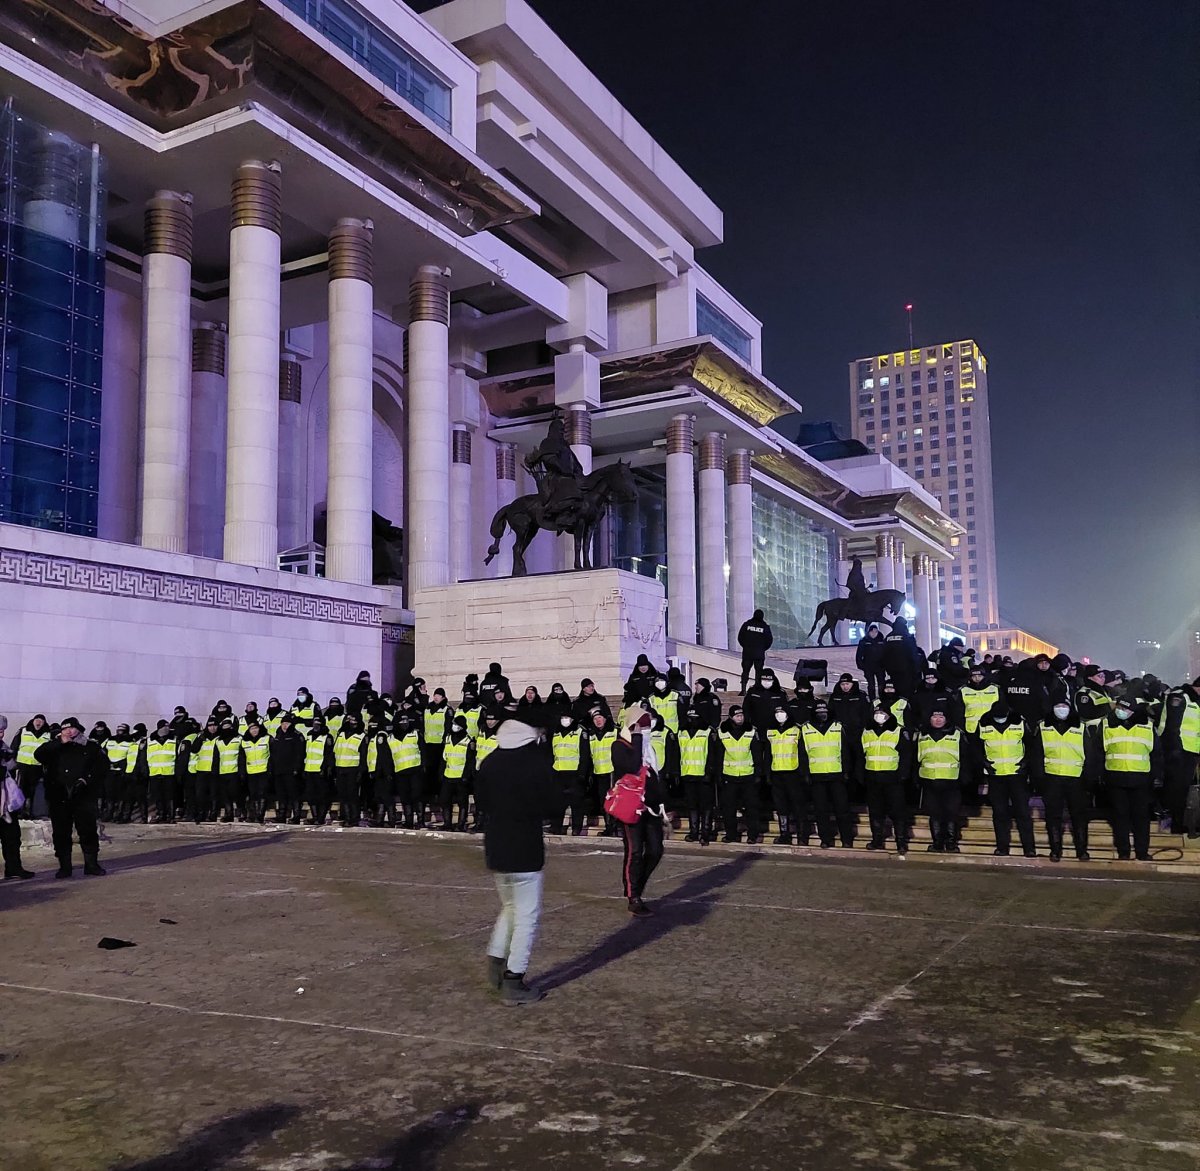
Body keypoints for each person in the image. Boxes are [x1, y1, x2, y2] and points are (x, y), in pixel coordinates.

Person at [475, 714, 561, 1004]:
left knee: (510, 908)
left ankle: (496, 964)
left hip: (496, 845)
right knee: (526, 914)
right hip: (524, 846)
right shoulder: (535, 763)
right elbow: (551, 804)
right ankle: (515, 978)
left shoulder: (489, 761)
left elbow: (482, 802)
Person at [612, 708, 669, 916]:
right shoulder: (619, 745)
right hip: (631, 807)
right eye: (642, 724)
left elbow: (655, 776)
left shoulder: (648, 748)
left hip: (650, 808)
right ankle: (633, 896)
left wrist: (662, 805)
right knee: (635, 851)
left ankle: (637, 886)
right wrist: (636, 736)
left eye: (647, 725)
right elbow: (632, 766)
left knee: (655, 850)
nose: (646, 729)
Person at [1090, 695, 1160, 861]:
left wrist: (1157, 777)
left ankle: (1142, 852)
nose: (1121, 711)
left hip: (1141, 780)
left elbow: (1157, 755)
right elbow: (1098, 751)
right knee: (1120, 817)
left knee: (1141, 818)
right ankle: (1124, 852)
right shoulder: (1107, 724)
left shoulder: (1147, 726)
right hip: (1115, 779)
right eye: (1119, 708)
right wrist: (1097, 776)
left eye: (1125, 709)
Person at [35, 717, 106, 878]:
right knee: (61, 832)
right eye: (64, 729)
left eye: (71, 728)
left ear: (78, 729)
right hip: (59, 795)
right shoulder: (55, 747)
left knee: (87, 830)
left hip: (83, 795)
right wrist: (58, 742)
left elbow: (102, 767)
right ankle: (64, 866)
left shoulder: (91, 746)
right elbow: (38, 755)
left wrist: (86, 779)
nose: (68, 732)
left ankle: (91, 864)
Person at [1031, 699, 1094, 861]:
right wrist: (1039, 778)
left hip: (1076, 779)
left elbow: (1090, 754)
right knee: (1053, 816)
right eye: (1058, 706)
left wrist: (1089, 778)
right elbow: (1037, 754)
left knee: (1079, 816)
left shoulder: (1081, 727)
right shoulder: (1043, 727)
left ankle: (1082, 850)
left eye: (1064, 706)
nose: (1061, 709)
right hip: (1052, 778)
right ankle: (1055, 850)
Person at [973, 702, 1037, 857]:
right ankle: (1002, 847)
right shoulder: (984, 724)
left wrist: (1025, 764)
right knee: (999, 813)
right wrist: (984, 763)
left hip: (1017, 775)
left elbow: (1031, 745)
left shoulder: (1020, 722)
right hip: (996, 776)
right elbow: (975, 747)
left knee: (1023, 813)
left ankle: (1029, 848)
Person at [800, 698, 856, 849]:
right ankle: (825, 839)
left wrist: (846, 771)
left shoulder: (838, 727)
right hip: (816, 776)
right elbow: (803, 754)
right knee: (820, 811)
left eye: (824, 711)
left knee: (842, 810)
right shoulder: (805, 729)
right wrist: (805, 773)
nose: (822, 714)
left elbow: (845, 751)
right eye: (818, 711)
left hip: (836, 775)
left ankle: (847, 839)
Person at [858, 704, 911, 854]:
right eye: (877, 712)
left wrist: (903, 774)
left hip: (893, 778)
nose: (879, 715)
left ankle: (901, 841)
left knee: (898, 811)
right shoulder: (867, 731)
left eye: (882, 712)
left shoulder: (899, 731)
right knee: (875, 811)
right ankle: (877, 840)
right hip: (872, 777)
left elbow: (906, 755)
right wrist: (861, 774)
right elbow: (861, 755)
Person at [914, 709, 965, 853]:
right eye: (934, 716)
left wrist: (964, 778)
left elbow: (966, 757)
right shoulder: (922, 735)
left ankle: (950, 843)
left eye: (941, 716)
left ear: (946, 719)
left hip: (951, 781)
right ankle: (937, 842)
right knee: (934, 813)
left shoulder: (957, 734)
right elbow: (916, 758)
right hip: (929, 780)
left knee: (951, 813)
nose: (937, 719)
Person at [1159, 678, 1200, 836]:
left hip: (1190, 751)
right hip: (1177, 750)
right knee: (1175, 789)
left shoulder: (1194, 700)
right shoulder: (1179, 696)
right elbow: (1172, 725)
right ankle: (1173, 824)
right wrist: (1175, 749)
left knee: (1183, 790)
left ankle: (1180, 823)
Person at [715, 706, 761, 844]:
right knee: (729, 809)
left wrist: (758, 773)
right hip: (729, 775)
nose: (740, 718)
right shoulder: (722, 733)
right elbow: (718, 756)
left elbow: (757, 754)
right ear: (730, 717)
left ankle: (753, 835)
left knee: (752, 808)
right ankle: (731, 835)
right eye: (737, 715)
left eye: (741, 715)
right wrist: (718, 775)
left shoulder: (751, 731)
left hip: (748, 775)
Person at [765, 704, 805, 846]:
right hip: (777, 773)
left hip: (793, 773)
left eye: (782, 711)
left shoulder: (797, 730)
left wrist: (803, 772)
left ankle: (802, 835)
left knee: (798, 805)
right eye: (777, 712)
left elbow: (802, 752)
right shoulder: (771, 731)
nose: (779, 714)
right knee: (781, 806)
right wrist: (768, 774)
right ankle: (784, 834)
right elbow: (768, 755)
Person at [1, 717, 35, 879]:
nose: (1, 733)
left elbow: (11, 767)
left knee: (12, 837)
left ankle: (13, 868)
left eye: (2, 730)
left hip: (6, 803)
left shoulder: (4, 747)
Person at [677, 708, 715, 843]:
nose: (692, 720)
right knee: (692, 805)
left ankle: (706, 832)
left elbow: (711, 754)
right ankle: (693, 832)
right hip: (687, 774)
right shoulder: (682, 732)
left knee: (706, 806)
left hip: (703, 775)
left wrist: (709, 772)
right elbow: (679, 753)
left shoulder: (707, 732)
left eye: (694, 717)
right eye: (689, 717)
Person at [550, 712, 590, 835]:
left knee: (576, 803)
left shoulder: (579, 733)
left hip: (574, 773)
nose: (565, 720)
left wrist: (582, 774)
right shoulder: (556, 733)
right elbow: (552, 754)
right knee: (557, 803)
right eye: (563, 718)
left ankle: (576, 828)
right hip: (558, 773)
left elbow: (584, 754)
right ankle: (556, 827)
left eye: (567, 718)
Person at [440, 715, 476, 833]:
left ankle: (461, 824)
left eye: (456, 725)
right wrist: (441, 773)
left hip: (461, 777)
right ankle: (447, 823)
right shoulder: (448, 738)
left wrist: (466, 776)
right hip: (448, 776)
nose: (454, 726)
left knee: (462, 802)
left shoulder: (468, 741)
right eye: (453, 724)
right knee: (445, 800)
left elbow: (470, 761)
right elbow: (444, 758)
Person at [332, 713, 367, 827]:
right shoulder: (341, 734)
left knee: (352, 796)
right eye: (350, 721)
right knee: (343, 795)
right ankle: (346, 817)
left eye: (355, 721)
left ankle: (354, 818)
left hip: (353, 769)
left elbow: (363, 755)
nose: (352, 723)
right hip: (340, 768)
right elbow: (335, 751)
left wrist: (360, 771)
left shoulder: (361, 736)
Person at [587, 710, 619, 836]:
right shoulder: (592, 735)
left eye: (600, 717)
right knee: (603, 802)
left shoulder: (615, 731)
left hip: (612, 771)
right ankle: (609, 826)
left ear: (605, 719)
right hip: (599, 772)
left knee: (613, 801)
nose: (598, 721)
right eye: (595, 719)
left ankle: (614, 827)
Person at [12, 714, 51, 815]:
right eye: (37, 720)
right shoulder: (23, 730)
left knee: (33, 789)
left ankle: (30, 810)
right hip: (22, 765)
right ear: (33, 721)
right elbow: (15, 745)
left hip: (37, 766)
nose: (38, 722)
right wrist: (13, 760)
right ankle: (20, 809)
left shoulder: (48, 733)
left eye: (41, 721)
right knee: (20, 788)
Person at [271, 712, 306, 824]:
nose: (285, 725)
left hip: (291, 770)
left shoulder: (296, 735)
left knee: (293, 794)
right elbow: (273, 753)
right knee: (281, 794)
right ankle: (281, 815)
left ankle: (296, 815)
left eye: (287, 723)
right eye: (283, 723)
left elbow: (300, 753)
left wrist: (297, 768)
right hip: (278, 770)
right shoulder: (278, 735)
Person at [882, 616, 923, 698]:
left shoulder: (888, 637)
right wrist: (917, 669)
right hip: (906, 669)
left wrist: (887, 668)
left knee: (896, 690)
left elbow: (883, 654)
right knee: (907, 691)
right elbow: (913, 653)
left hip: (892, 670)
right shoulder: (907, 636)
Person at [736, 609, 773, 694]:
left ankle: (743, 689)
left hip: (747, 653)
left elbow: (740, 637)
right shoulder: (765, 627)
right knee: (759, 672)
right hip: (759, 654)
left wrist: (745, 646)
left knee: (745, 671)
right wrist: (762, 649)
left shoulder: (747, 625)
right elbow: (769, 640)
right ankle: (757, 689)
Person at [856, 624, 887, 703]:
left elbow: (887, 653)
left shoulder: (882, 641)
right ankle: (873, 701)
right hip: (868, 667)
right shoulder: (864, 641)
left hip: (880, 667)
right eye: (872, 632)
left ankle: (882, 699)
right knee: (871, 685)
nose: (874, 634)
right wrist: (861, 666)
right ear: (869, 632)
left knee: (882, 684)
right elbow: (859, 655)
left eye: (875, 632)